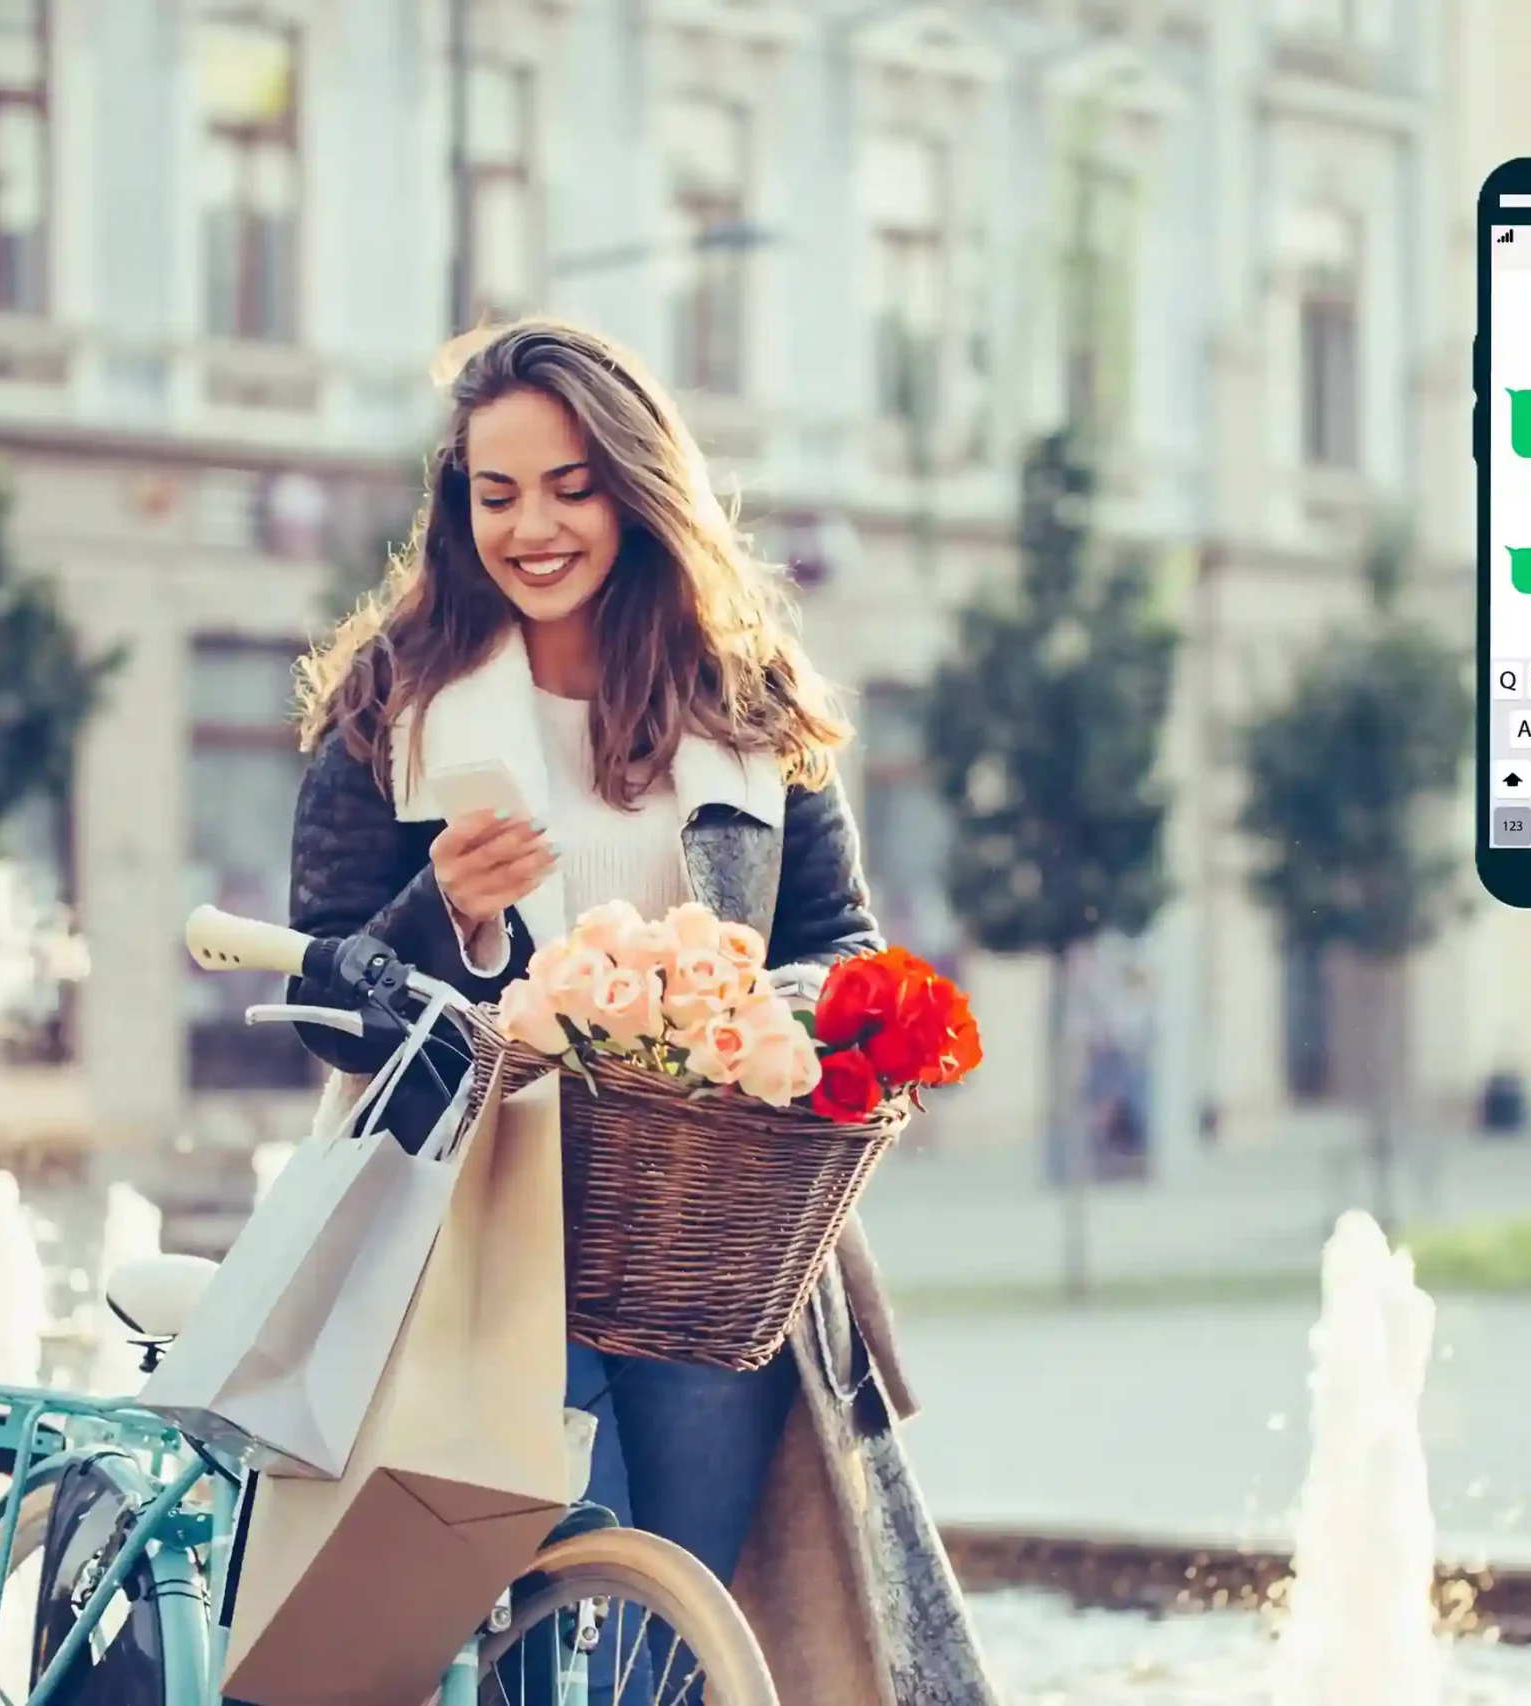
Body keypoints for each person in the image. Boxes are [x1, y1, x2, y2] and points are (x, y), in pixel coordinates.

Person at [283, 319, 1000, 1706]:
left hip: (704, 1250)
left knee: (681, 1629)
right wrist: (444, 910)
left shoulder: (747, 702)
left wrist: (748, 1009)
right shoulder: (396, 704)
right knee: (546, 1626)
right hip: (475, 1242)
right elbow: (322, 993)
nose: (531, 528)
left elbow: (838, 943)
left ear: (634, 487)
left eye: (570, 487)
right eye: (496, 493)